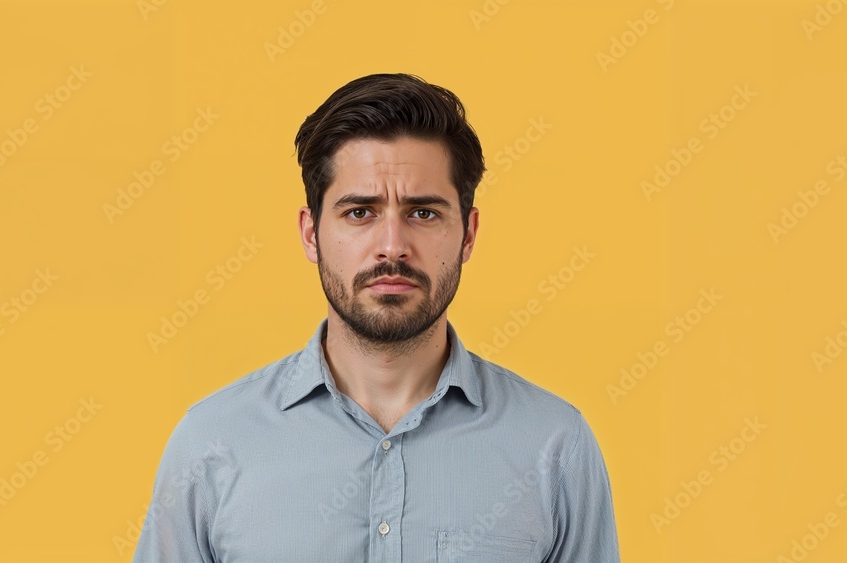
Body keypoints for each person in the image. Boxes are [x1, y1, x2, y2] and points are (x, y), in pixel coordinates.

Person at [133, 73, 620, 562]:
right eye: (360, 212)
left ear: (468, 234)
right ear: (311, 233)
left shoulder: (554, 448)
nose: (393, 247)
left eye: (424, 213)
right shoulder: (211, 444)